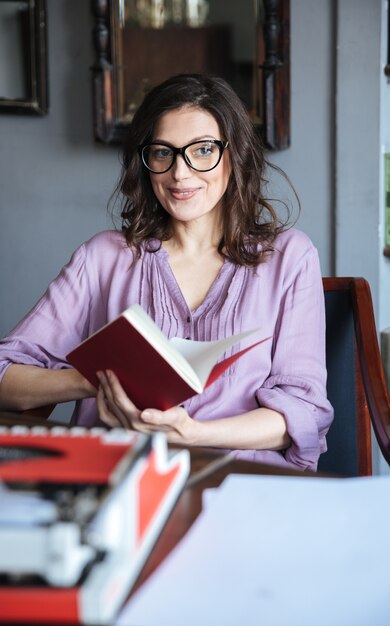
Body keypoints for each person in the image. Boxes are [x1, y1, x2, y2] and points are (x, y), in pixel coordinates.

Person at [0, 74, 333, 470]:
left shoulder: (290, 257)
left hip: (242, 479)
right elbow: (6, 377)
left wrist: (193, 434)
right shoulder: (103, 258)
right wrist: (94, 382)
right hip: (124, 477)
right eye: (163, 153)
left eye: (203, 150)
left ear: (235, 154)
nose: (180, 173)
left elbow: (303, 412)